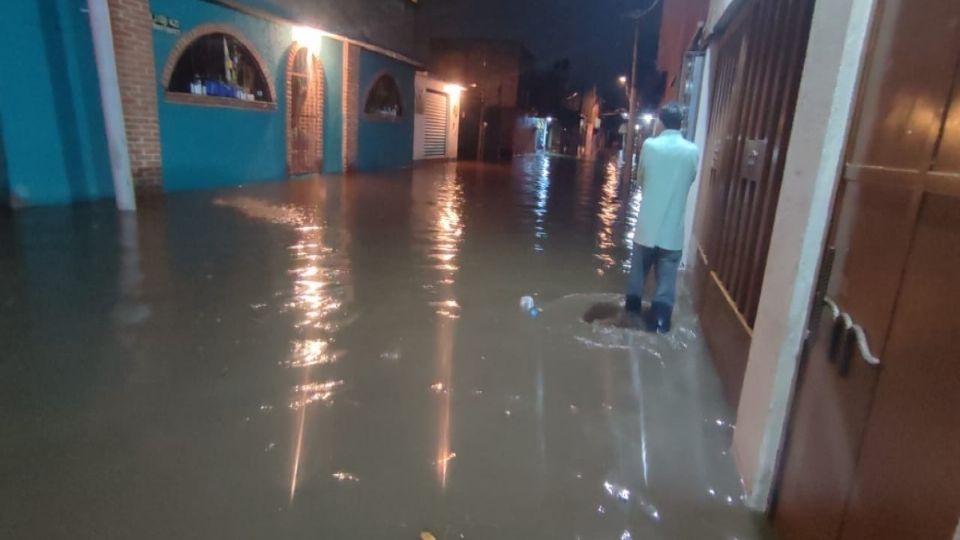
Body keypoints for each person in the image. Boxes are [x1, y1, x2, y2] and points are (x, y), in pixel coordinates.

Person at [625, 102, 700, 333]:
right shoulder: (692, 151)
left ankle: (629, 325)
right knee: (666, 289)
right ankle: (660, 328)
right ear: (682, 123)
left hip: (646, 230)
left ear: (661, 121)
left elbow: (640, 180)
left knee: (637, 282)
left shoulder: (650, 146)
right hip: (672, 234)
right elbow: (690, 180)